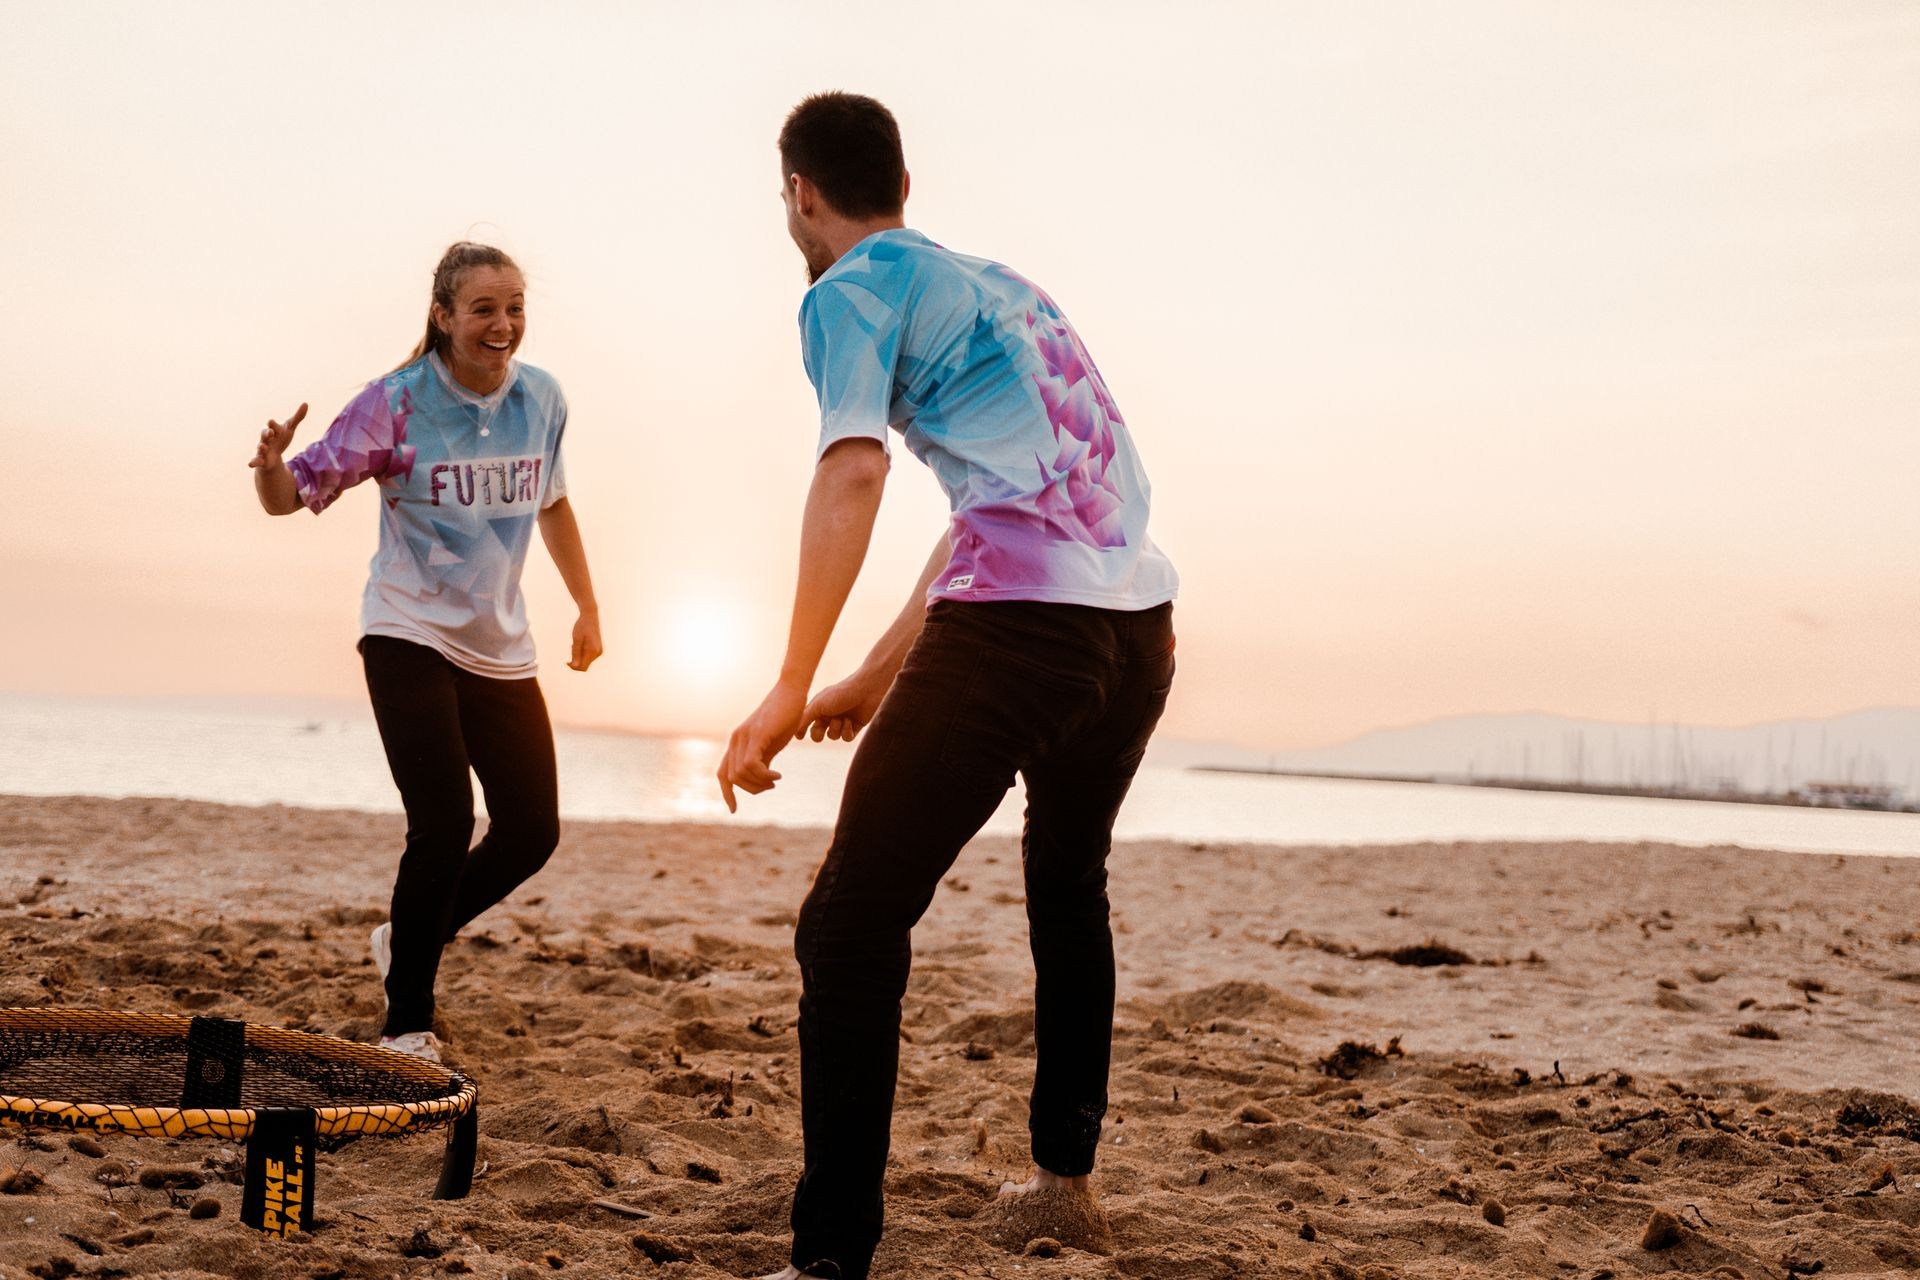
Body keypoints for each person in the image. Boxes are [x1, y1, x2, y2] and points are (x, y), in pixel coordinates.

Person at [718, 93, 1179, 1280]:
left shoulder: (846, 291)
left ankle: (829, 1261)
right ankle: (1065, 1188)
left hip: (1024, 631)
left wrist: (787, 681)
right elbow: (1008, 499)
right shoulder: (1003, 285)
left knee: (849, 919)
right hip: (1137, 629)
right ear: (904, 186)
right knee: (1067, 881)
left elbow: (855, 473)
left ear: (799, 195)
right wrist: (875, 671)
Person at [248, 241, 601, 1063]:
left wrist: (588, 603)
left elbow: (554, 503)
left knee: (531, 831)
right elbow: (290, 496)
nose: (503, 323)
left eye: (514, 306)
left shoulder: (542, 399)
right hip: (406, 629)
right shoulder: (395, 403)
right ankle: (407, 1022)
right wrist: (268, 468)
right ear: (443, 316)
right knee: (442, 820)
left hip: (499, 644)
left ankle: (405, 937)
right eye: (483, 308)